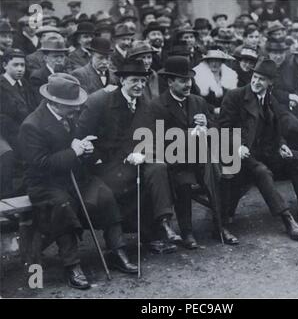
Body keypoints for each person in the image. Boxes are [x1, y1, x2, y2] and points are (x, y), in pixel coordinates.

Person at [18, 73, 138, 290]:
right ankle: (72, 265)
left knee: (104, 195)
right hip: (44, 184)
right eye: (70, 105)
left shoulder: (69, 116)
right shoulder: (32, 125)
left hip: (75, 176)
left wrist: (85, 150)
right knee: (64, 206)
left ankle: (117, 250)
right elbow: (40, 164)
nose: (76, 109)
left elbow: (77, 144)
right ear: (53, 102)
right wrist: (74, 152)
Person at [219, 59, 298, 241]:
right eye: (255, 77)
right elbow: (224, 128)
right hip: (239, 155)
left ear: (270, 82)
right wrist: (237, 145)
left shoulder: (269, 99)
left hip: (265, 151)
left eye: (262, 79)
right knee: (262, 172)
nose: (256, 82)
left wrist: (282, 145)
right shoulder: (235, 96)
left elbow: (276, 127)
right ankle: (287, 219)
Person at [77, 59, 180, 254]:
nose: (139, 85)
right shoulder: (102, 102)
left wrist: (144, 154)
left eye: (143, 81)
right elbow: (83, 136)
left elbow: (156, 139)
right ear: (122, 80)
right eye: (134, 80)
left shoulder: (147, 106)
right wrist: (96, 155)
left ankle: (163, 223)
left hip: (134, 162)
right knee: (130, 183)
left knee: (158, 168)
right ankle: (126, 241)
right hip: (105, 166)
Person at [150, 56, 239, 248]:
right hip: (175, 161)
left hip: (200, 158)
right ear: (170, 81)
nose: (187, 84)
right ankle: (187, 232)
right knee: (184, 183)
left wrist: (206, 126)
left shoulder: (198, 101)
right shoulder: (158, 105)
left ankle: (220, 226)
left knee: (216, 172)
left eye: (189, 80)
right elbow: (159, 139)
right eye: (182, 81)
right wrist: (189, 133)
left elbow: (215, 129)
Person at [0, 48, 37, 197]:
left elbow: (33, 109)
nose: (20, 69)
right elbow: (2, 118)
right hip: (7, 134)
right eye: (15, 65)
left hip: (25, 132)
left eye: (22, 65)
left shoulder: (25, 84)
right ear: (4, 65)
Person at [193, 49, 238, 114]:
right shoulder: (199, 77)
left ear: (222, 62)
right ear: (207, 61)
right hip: (205, 113)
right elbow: (196, 101)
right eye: (212, 60)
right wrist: (213, 109)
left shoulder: (229, 76)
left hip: (225, 113)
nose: (214, 64)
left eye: (217, 60)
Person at [29, 38, 71, 103]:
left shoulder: (67, 75)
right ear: (46, 58)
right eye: (55, 57)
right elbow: (39, 101)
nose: (59, 60)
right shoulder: (37, 77)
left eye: (62, 57)